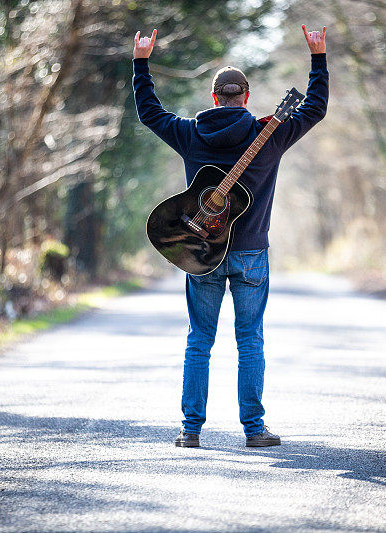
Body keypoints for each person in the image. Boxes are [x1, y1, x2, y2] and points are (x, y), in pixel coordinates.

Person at [132, 25, 328, 448]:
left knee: (199, 341)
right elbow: (314, 109)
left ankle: (190, 430)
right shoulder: (269, 134)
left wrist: (141, 62)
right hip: (252, 254)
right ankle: (254, 430)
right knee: (250, 341)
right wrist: (318, 57)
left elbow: (149, 112)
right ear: (248, 97)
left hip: (201, 252)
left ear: (214, 97)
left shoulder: (189, 133)